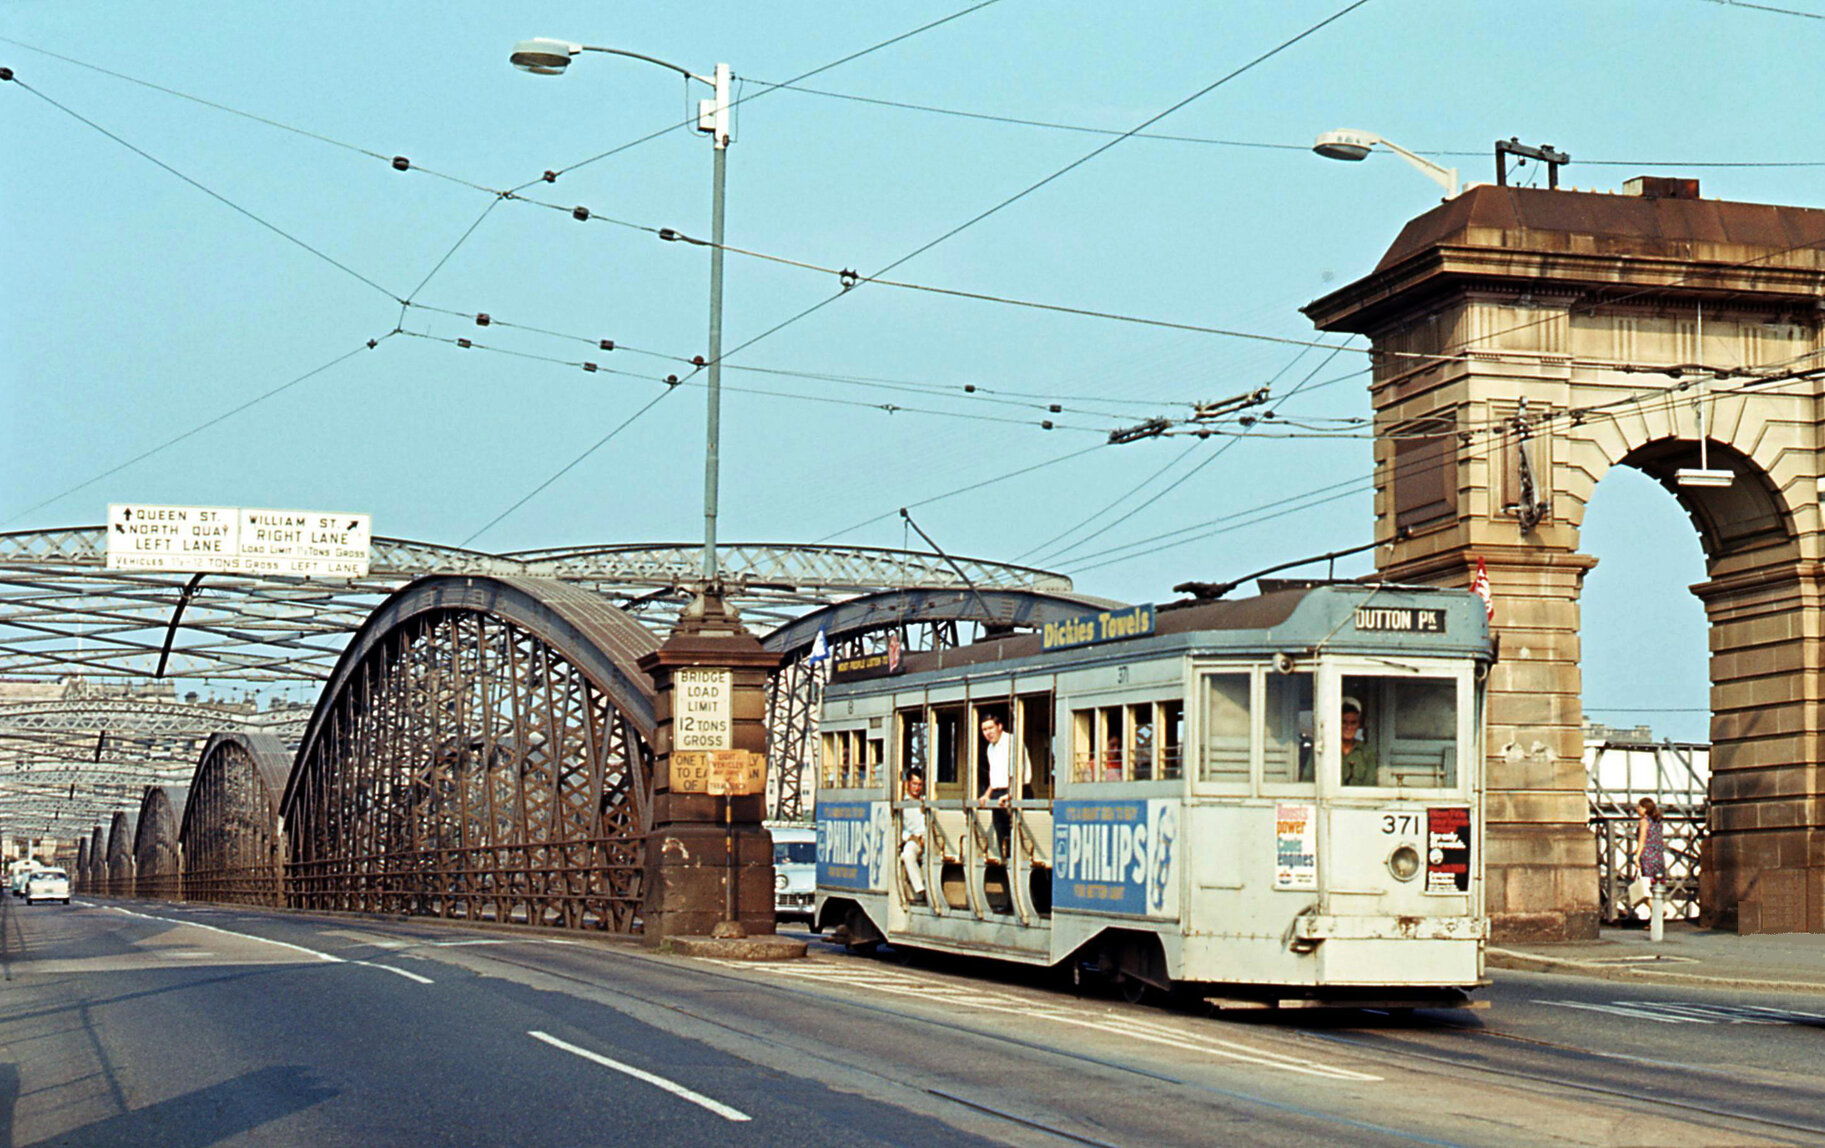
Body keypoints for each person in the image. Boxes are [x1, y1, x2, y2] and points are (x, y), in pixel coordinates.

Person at [980, 713, 1014, 858]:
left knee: (1016, 836)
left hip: (1015, 791)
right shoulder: (990, 748)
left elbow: (1018, 772)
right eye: (984, 730)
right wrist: (987, 795)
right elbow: (995, 777)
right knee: (1001, 836)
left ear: (1000, 726)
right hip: (998, 793)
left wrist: (1011, 794)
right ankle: (1006, 871)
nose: (988, 733)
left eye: (991, 728)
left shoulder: (1012, 743)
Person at [901, 771, 928, 904]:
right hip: (914, 839)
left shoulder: (925, 801)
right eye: (914, 784)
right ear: (908, 784)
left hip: (929, 838)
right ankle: (920, 889)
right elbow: (899, 829)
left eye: (919, 785)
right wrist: (911, 838)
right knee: (908, 854)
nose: (917, 788)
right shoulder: (903, 803)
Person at [1340, 697, 1378, 787]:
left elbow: (1370, 786)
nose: (1348, 727)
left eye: (1353, 723)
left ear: (1358, 725)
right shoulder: (1325, 750)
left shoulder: (1367, 753)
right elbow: (1307, 781)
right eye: (1344, 722)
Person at [1636, 796, 1666, 891]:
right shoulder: (1657, 822)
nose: (1637, 809)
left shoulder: (1644, 822)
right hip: (1658, 856)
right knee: (1657, 886)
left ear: (1644, 809)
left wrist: (1637, 856)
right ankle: (1658, 905)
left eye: (1639, 807)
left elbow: (1642, 839)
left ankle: (1653, 906)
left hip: (1647, 856)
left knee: (1644, 887)